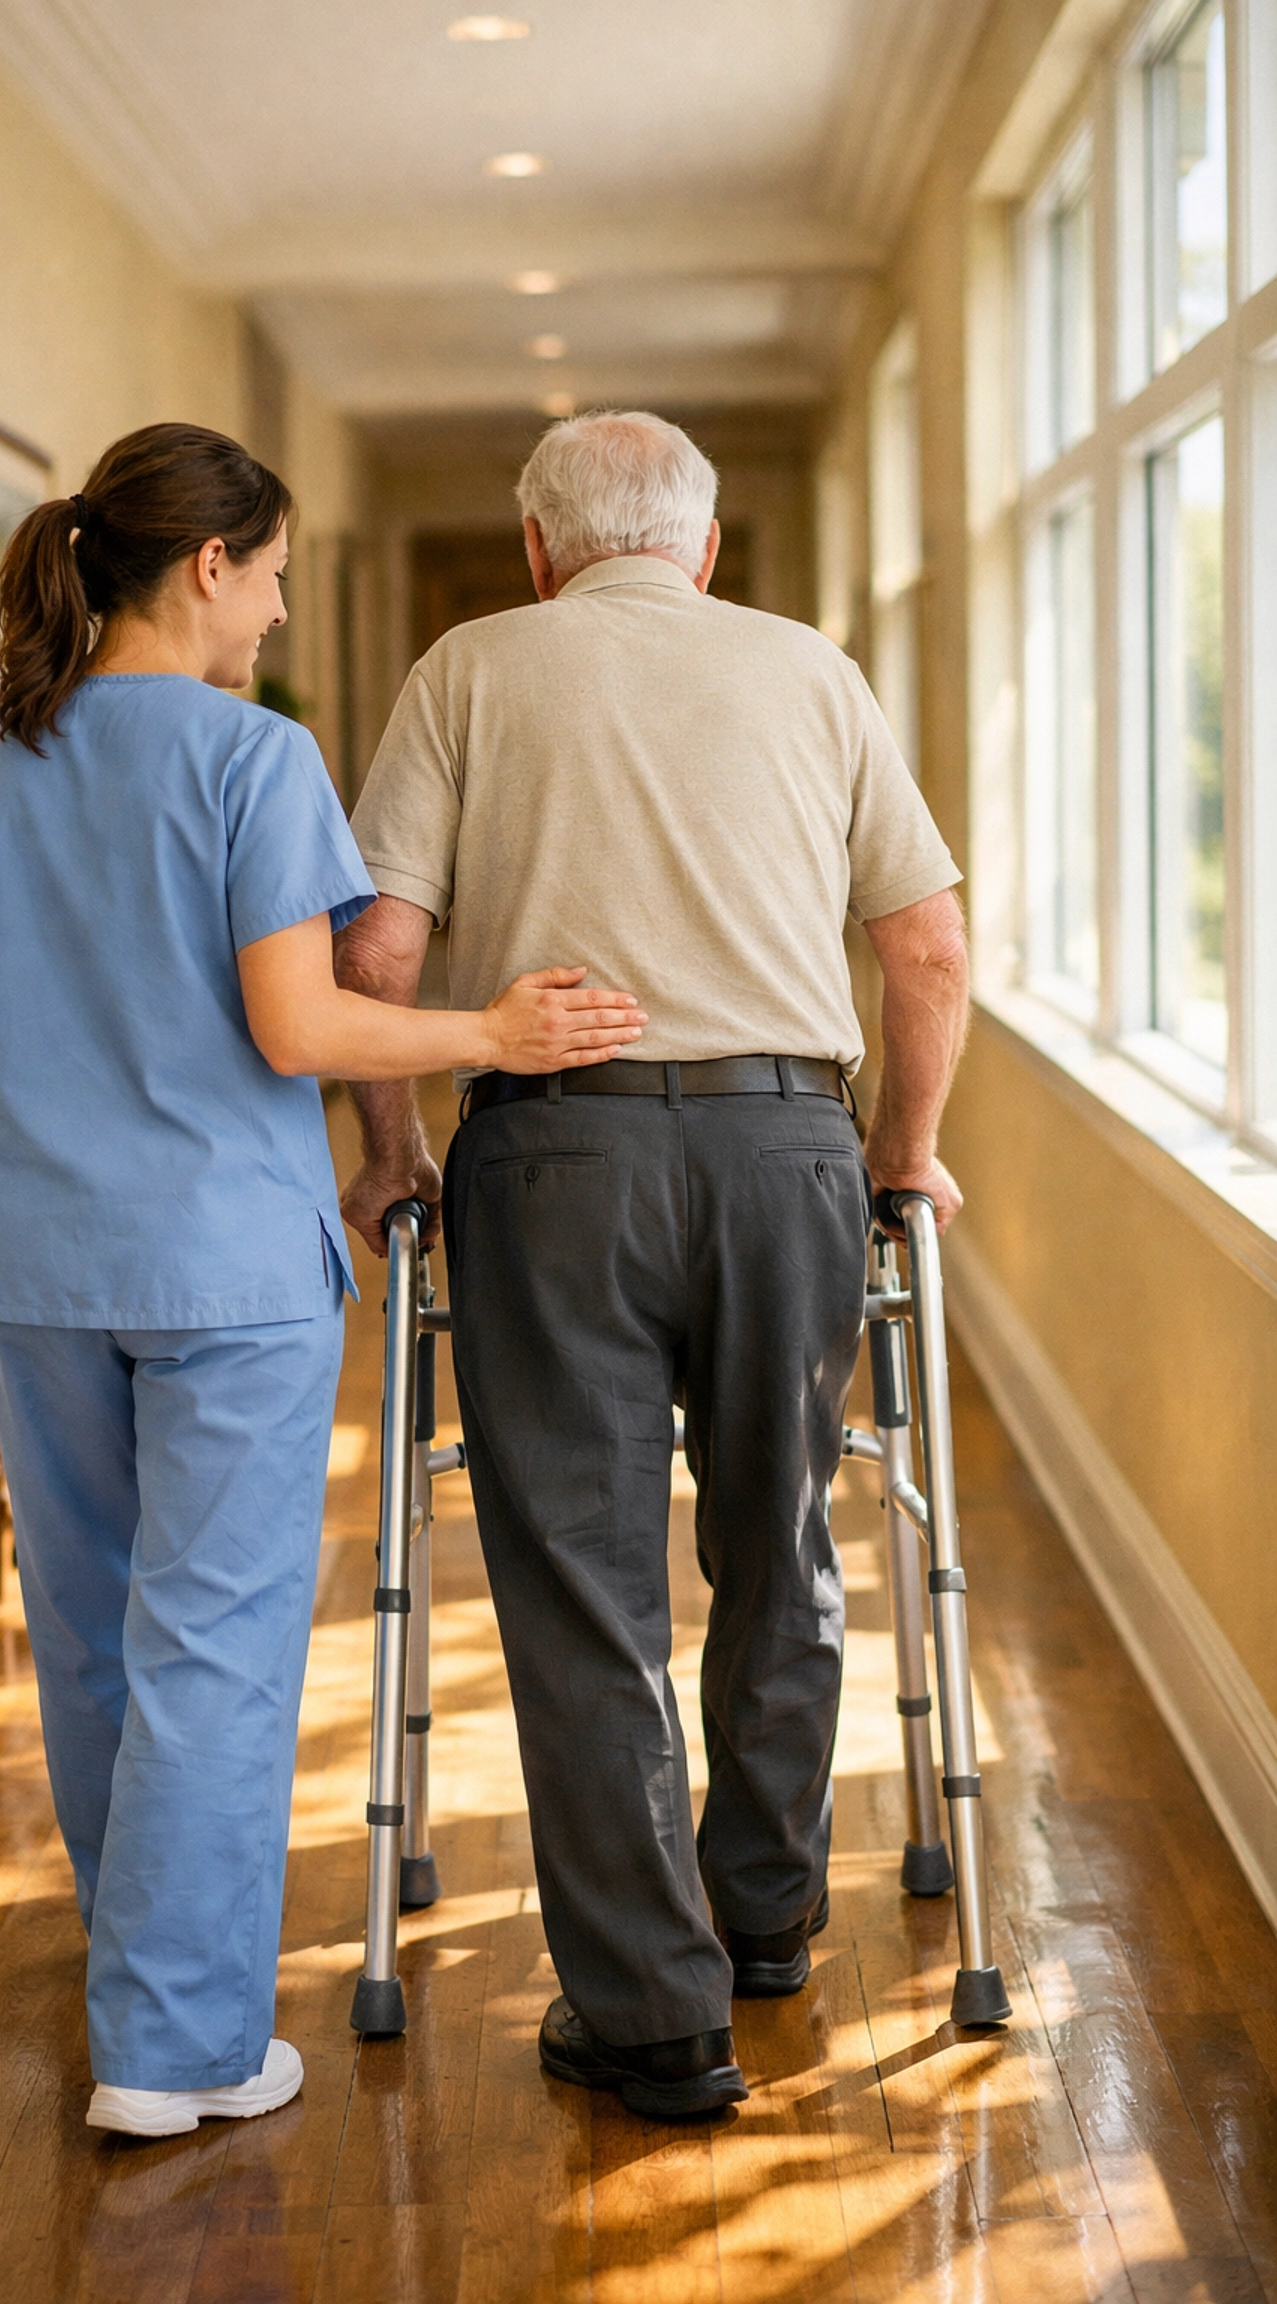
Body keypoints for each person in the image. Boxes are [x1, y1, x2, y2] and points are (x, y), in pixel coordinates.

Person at [0, 422, 644, 2140]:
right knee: (218, 1647)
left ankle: (139, 1978)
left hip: (37, 1259)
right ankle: (175, 2051)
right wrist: (491, 1031)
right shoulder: (253, 759)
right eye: (281, 568)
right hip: (221, 1268)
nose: (288, 603)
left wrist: (47, 1175)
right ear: (207, 568)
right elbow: (298, 1026)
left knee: (91, 1634)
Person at [336, 410, 968, 2121]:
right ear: (701, 548)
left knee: (585, 1583)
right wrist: (901, 1152)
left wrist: (392, 1162)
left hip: (556, 1159)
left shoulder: (470, 665)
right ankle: (764, 1923)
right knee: (777, 1531)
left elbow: (380, 948)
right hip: (788, 1150)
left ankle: (654, 2016)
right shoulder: (812, 672)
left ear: (541, 547)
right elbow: (924, 947)